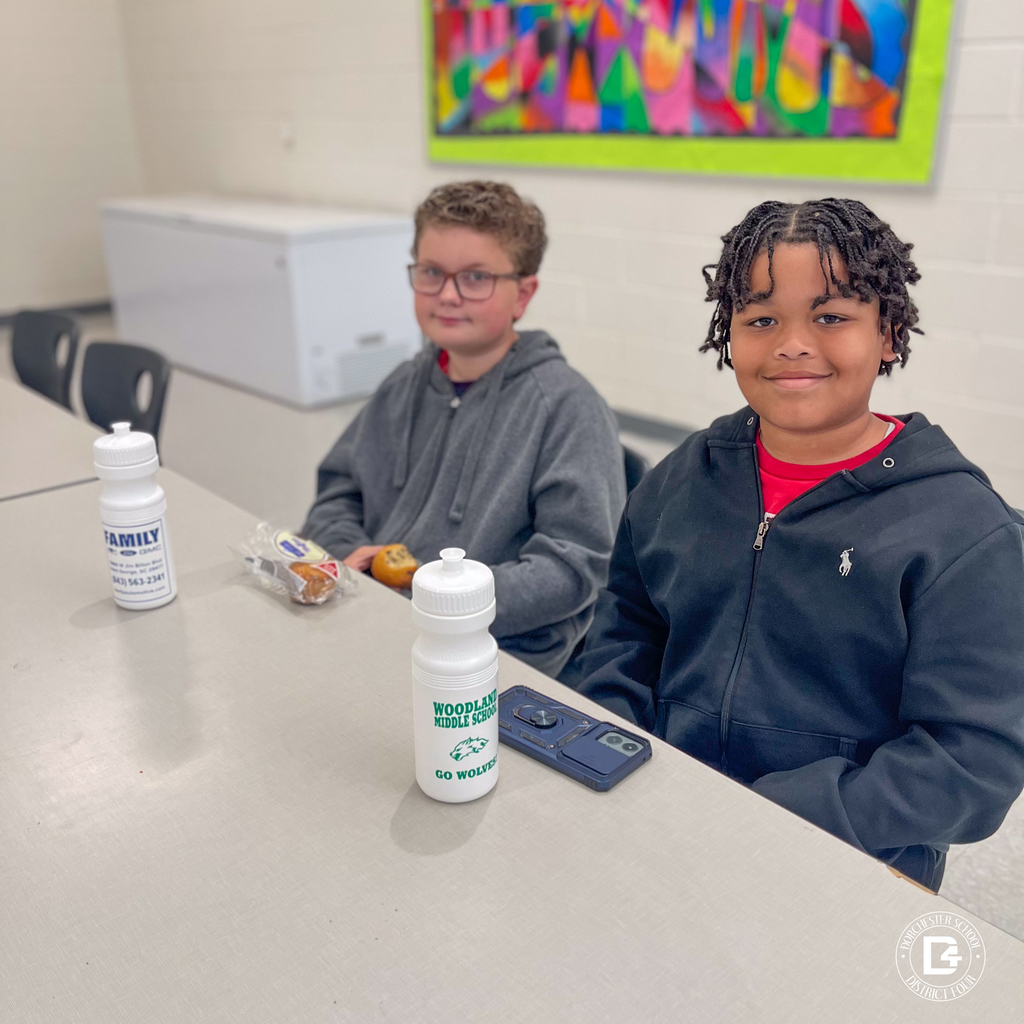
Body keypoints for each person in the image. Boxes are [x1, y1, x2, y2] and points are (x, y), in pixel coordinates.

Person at [572, 198, 1024, 891]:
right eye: (760, 319)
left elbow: (974, 761)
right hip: (661, 821)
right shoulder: (687, 476)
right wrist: (611, 733)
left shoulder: (964, 530)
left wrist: (772, 816)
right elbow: (628, 621)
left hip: (850, 860)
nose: (791, 343)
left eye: (831, 316)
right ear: (730, 336)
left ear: (890, 334)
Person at [303, 181, 626, 676]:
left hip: (497, 660)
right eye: (432, 272)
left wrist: (437, 602)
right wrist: (352, 552)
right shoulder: (404, 384)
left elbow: (573, 568)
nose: (448, 295)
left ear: (523, 293)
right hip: (379, 625)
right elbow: (338, 492)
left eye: (476, 277)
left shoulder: (566, 408)